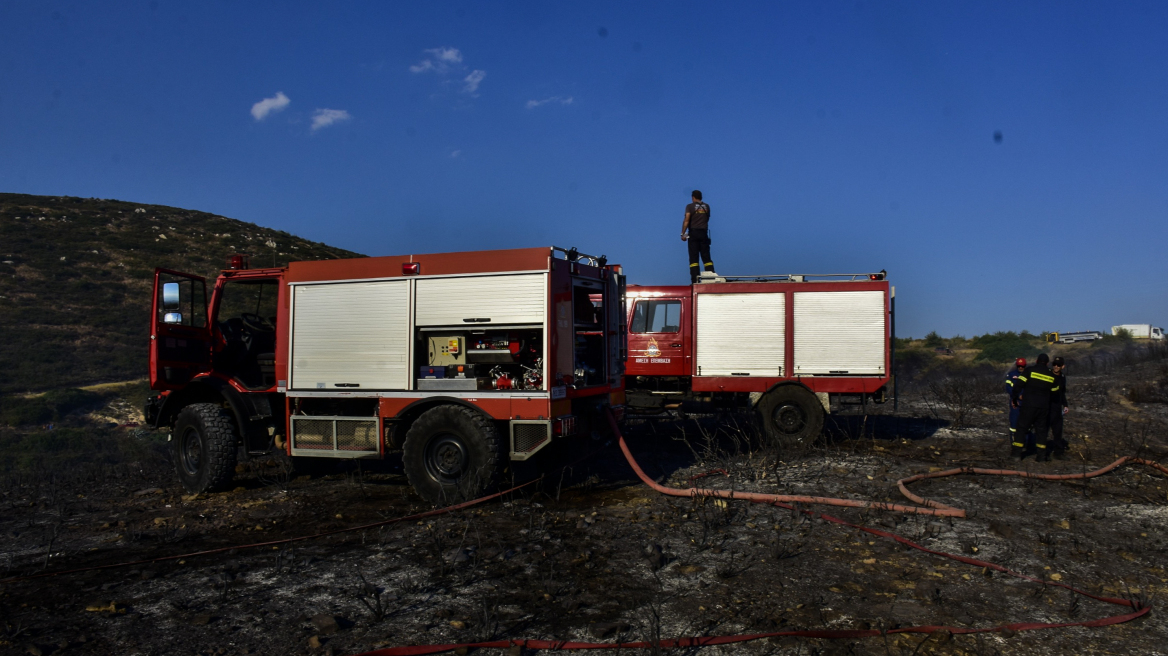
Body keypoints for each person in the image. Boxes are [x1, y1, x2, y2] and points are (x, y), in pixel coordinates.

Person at [1010, 353, 1058, 461]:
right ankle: (1041, 456)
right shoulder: (1051, 375)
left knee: (1021, 428)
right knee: (1041, 431)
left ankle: (1016, 455)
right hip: (1043, 408)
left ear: (1036, 361)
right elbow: (1055, 393)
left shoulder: (1029, 371)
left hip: (1028, 406)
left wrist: (1014, 398)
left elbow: (1018, 385)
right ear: (1047, 363)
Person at [681, 190, 715, 283]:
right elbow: (707, 219)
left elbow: (687, 220)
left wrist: (683, 233)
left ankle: (695, 280)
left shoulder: (690, 206)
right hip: (704, 233)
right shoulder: (707, 206)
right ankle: (711, 278)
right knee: (706, 257)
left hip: (693, 234)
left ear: (693, 197)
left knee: (694, 258)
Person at [1004, 357, 1029, 454]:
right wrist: (1016, 397)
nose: (1020, 368)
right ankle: (1014, 445)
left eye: (1022, 366)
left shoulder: (1029, 375)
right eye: (1019, 366)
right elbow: (1008, 388)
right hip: (1015, 403)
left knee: (1026, 425)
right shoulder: (1011, 375)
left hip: (1027, 403)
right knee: (1014, 425)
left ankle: (1025, 445)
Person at [1049, 356, 1069, 459]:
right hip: (1047, 407)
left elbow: (1062, 392)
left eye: (1058, 365)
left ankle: (1058, 452)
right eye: (1054, 364)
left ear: (1063, 366)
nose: (1056, 367)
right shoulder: (1047, 375)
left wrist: (1065, 404)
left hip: (1057, 407)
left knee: (1058, 430)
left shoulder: (1062, 377)